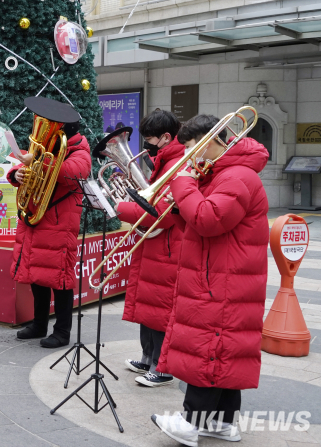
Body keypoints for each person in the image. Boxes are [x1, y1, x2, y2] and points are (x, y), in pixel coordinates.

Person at [151, 114, 269, 446]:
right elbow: (197, 221)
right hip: (220, 274)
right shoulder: (224, 173)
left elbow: (208, 218)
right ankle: (222, 423)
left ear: (212, 141)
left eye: (191, 146)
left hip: (223, 278)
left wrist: (184, 184)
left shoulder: (237, 177)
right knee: (225, 349)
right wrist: (180, 205)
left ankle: (190, 422)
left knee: (210, 348)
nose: (188, 155)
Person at [8, 99, 92, 349]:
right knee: (37, 276)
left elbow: (72, 172)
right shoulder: (43, 148)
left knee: (61, 279)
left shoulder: (79, 150)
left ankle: (62, 331)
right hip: (35, 218)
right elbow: (20, 174)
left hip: (58, 223)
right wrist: (17, 174)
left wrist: (34, 161)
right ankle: (39, 324)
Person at [114, 110, 185, 387]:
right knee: (149, 304)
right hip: (155, 243)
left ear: (166, 137)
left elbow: (162, 214)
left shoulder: (176, 162)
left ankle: (162, 366)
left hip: (168, 244)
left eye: (150, 139)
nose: (146, 144)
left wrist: (120, 207)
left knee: (160, 307)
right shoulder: (163, 159)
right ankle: (148, 357)